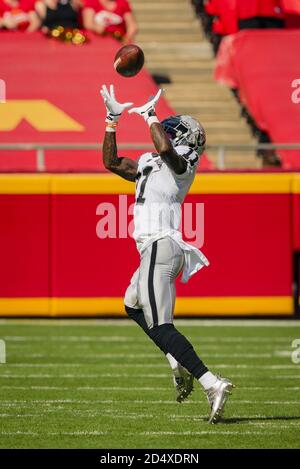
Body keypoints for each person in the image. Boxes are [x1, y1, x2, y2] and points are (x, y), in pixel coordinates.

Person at [100, 84, 234, 424]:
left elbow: (164, 147)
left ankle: (211, 382)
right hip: (153, 249)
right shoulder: (150, 161)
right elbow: (112, 162)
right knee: (132, 304)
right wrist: (111, 120)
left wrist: (150, 116)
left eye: (174, 132)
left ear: (185, 139)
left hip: (161, 244)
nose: (167, 136)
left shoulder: (184, 162)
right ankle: (175, 357)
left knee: (161, 325)